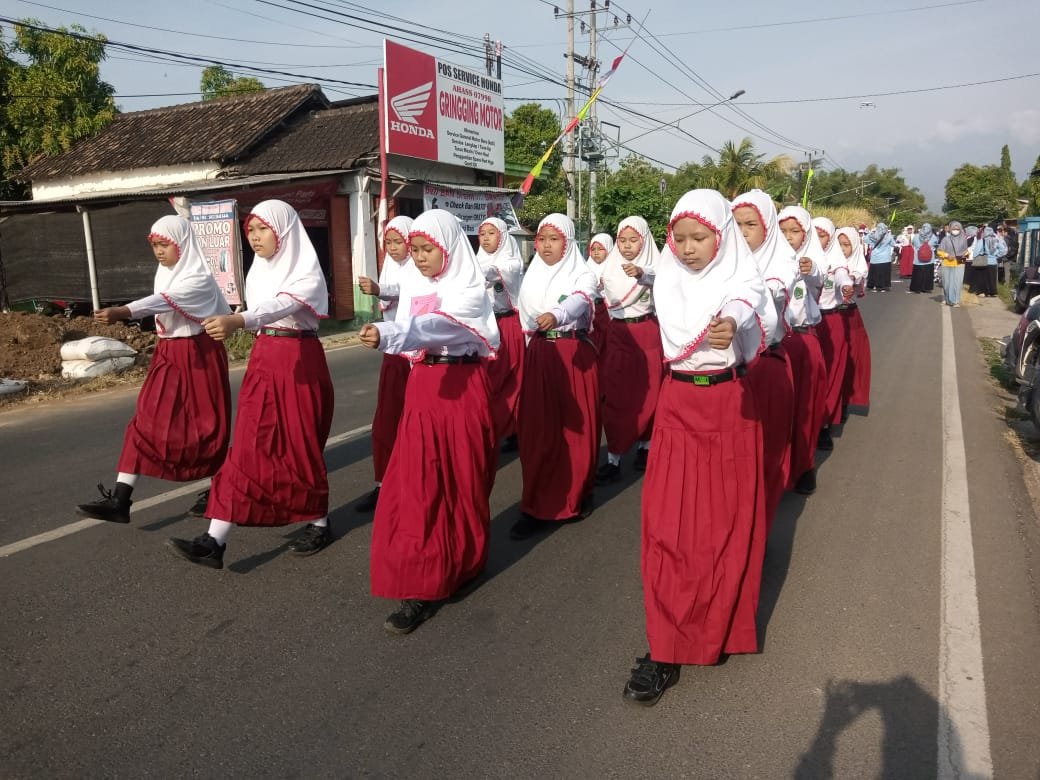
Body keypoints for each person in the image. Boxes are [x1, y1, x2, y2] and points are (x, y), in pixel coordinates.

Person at [624, 189, 769, 707]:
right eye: (679, 238)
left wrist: (732, 322)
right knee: (669, 528)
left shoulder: (741, 278)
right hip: (678, 404)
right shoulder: (666, 278)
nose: (687, 248)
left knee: (721, 528)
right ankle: (664, 647)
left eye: (699, 238)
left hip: (729, 406)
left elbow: (747, 304)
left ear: (721, 237)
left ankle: (717, 626)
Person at [166, 199, 335, 568]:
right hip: (263, 358)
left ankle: (319, 520)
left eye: (263, 229)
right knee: (245, 446)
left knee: (299, 443)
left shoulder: (305, 273)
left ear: (284, 231)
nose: (256, 237)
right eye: (251, 230)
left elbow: (280, 307)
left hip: (298, 361)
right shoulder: (259, 271)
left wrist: (239, 321)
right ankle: (214, 540)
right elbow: (260, 313)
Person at [359, 209, 500, 635]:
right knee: (420, 483)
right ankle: (421, 583)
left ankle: (464, 559)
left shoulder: (470, 290)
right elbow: (412, 327)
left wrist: (392, 334)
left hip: (463, 387)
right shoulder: (415, 287)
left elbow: (436, 326)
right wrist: (393, 332)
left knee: (464, 479)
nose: (419, 258)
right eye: (415, 250)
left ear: (449, 248)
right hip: (424, 388)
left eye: (427, 249)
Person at [76, 215, 232, 524]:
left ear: (183, 245)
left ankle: (221, 487)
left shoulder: (197, 278)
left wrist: (123, 311)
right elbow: (162, 299)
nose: (159, 251)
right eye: (155, 245)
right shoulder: (166, 273)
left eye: (165, 245)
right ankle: (120, 500)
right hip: (168, 353)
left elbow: (164, 301)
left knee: (208, 426)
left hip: (198, 353)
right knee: (145, 422)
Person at [510, 213, 599, 541]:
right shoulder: (531, 275)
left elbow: (579, 301)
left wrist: (557, 315)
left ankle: (576, 495)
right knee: (538, 432)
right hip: (539, 355)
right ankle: (535, 504)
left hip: (572, 354)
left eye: (554, 239)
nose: (546, 246)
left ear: (568, 241)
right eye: (542, 239)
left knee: (576, 432)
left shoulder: (583, 274)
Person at [732, 190, 792, 528]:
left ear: (767, 228)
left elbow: (773, 290)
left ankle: (758, 530)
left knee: (763, 456)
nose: (742, 232)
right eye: (736, 224)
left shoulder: (780, 265)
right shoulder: (719, 262)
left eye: (750, 224)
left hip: (763, 369)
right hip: (729, 377)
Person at [595, 216, 663, 484]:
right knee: (616, 395)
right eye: (622, 240)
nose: (626, 246)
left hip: (647, 332)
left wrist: (642, 274)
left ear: (644, 241)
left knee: (650, 392)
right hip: (618, 334)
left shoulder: (656, 267)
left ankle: (645, 448)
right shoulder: (610, 268)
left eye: (633, 240)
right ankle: (614, 457)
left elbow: (663, 280)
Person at [355, 215, 415, 513]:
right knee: (386, 421)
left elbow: (410, 292)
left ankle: (412, 484)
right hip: (394, 353)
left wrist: (380, 289)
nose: (393, 248)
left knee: (414, 423)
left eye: (398, 242)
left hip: (417, 354)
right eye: (388, 242)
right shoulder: (391, 269)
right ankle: (383, 484)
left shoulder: (421, 269)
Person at [776, 205, 827, 495]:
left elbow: (819, 279)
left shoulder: (809, 263)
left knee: (805, 408)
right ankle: (777, 468)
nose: (788, 237)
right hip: (774, 346)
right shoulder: (763, 260)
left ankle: (804, 465)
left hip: (802, 341)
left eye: (795, 232)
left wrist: (809, 269)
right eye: (782, 231)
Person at [476, 216, 525, 451]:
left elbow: (493, 273)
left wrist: (470, 272)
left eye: (491, 233)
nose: (485, 238)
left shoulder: (511, 262)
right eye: (482, 234)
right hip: (486, 326)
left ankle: (513, 427)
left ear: (502, 236)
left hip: (508, 325)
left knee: (511, 378)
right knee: (488, 379)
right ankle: (494, 426)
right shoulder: (477, 260)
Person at [813, 217, 855, 447]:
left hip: (829, 321)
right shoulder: (795, 259)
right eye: (814, 235)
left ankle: (824, 425)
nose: (818, 240)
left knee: (830, 375)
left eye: (822, 236)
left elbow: (841, 275)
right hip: (804, 328)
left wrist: (846, 285)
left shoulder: (834, 260)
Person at [834, 227, 872, 411]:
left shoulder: (857, 267)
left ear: (855, 247)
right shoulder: (827, 263)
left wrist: (848, 279)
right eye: (838, 244)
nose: (841, 249)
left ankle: (843, 402)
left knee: (849, 361)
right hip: (831, 316)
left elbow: (856, 277)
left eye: (846, 245)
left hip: (849, 317)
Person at [586, 233, 614, 359]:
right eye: (593, 249)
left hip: (607, 310)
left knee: (607, 343)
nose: (596, 252)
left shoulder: (613, 268)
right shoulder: (586, 268)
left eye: (600, 249)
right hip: (591, 310)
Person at [908, 222, 938, 294]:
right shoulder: (933, 237)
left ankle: (916, 288)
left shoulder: (916, 236)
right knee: (928, 274)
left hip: (918, 259)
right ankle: (926, 288)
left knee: (918, 274)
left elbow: (913, 243)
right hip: (929, 259)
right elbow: (935, 244)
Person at [865, 222, 895, 291]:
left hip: (875, 258)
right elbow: (893, 244)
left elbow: (865, 239)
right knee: (884, 273)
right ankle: (884, 285)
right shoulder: (888, 236)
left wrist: (870, 232)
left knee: (874, 272)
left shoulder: (873, 236)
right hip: (885, 258)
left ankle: (871, 285)